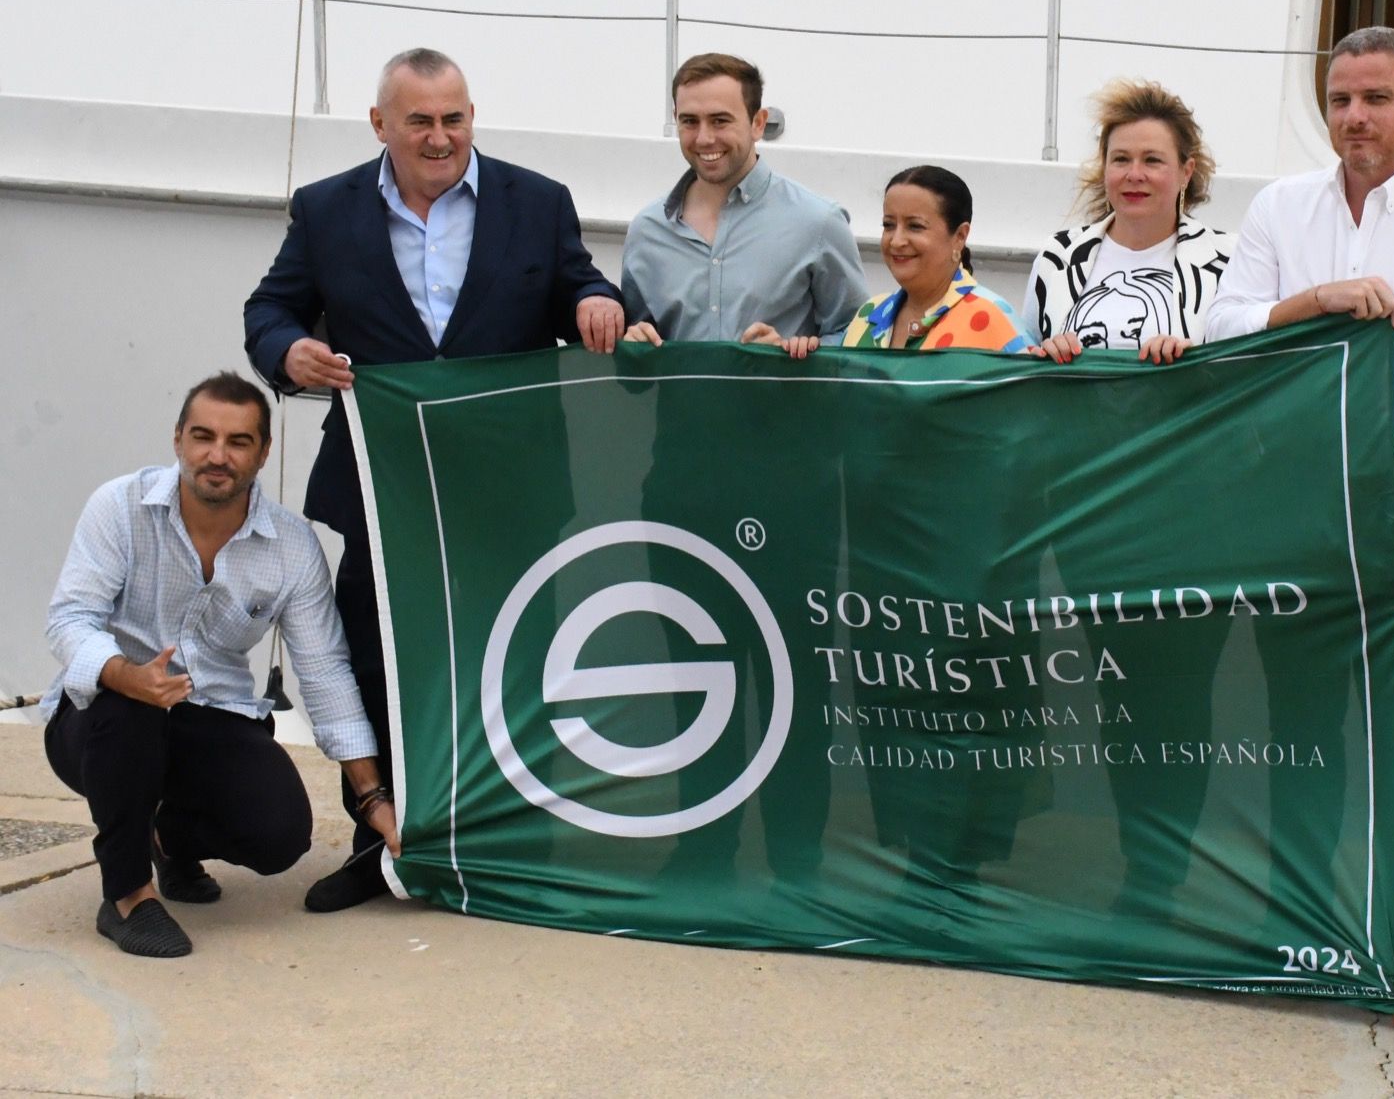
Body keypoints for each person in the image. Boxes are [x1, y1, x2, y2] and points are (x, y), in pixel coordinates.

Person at [243, 47, 621, 912]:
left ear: (472, 117)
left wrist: (598, 303)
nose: (440, 136)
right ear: (382, 124)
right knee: (374, 653)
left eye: (454, 118)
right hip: (382, 486)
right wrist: (287, 352)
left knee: (520, 653)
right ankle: (376, 845)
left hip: (511, 484)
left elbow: (578, 285)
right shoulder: (327, 208)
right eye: (420, 120)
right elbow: (270, 310)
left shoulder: (539, 200)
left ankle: (528, 842)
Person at [1206, 25, 1394, 869]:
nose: (1355, 117)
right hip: (1290, 475)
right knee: (1291, 696)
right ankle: (1300, 889)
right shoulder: (1280, 207)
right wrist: (1317, 299)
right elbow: (1220, 327)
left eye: (1376, 99)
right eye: (1340, 100)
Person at [41, 375, 398, 958]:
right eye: (203, 437)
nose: (217, 456)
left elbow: (326, 672)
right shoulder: (120, 506)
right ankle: (128, 894)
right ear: (179, 439)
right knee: (130, 708)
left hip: (209, 715)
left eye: (237, 442)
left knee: (280, 834)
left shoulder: (290, 545)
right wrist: (125, 673)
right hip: (99, 723)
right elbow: (69, 620)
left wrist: (372, 796)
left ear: (263, 452)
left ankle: (166, 838)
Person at [621, 53, 868, 346]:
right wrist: (632, 344)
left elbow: (858, 337)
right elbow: (634, 358)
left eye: (720, 121)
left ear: (758, 123)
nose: (703, 138)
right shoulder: (647, 230)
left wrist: (797, 357)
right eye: (689, 121)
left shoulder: (819, 222)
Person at [1021, 79, 1233, 365]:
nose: (1134, 174)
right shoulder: (1058, 255)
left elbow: (1245, 368)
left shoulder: (1227, 259)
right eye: (1121, 159)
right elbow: (1023, 363)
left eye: (1152, 160)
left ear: (1186, 171)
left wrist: (1190, 358)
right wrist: (1047, 353)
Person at [746, 165, 1031, 356]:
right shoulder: (867, 316)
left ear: (959, 236)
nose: (896, 241)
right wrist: (788, 355)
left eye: (915, 226)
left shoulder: (993, 318)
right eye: (888, 225)